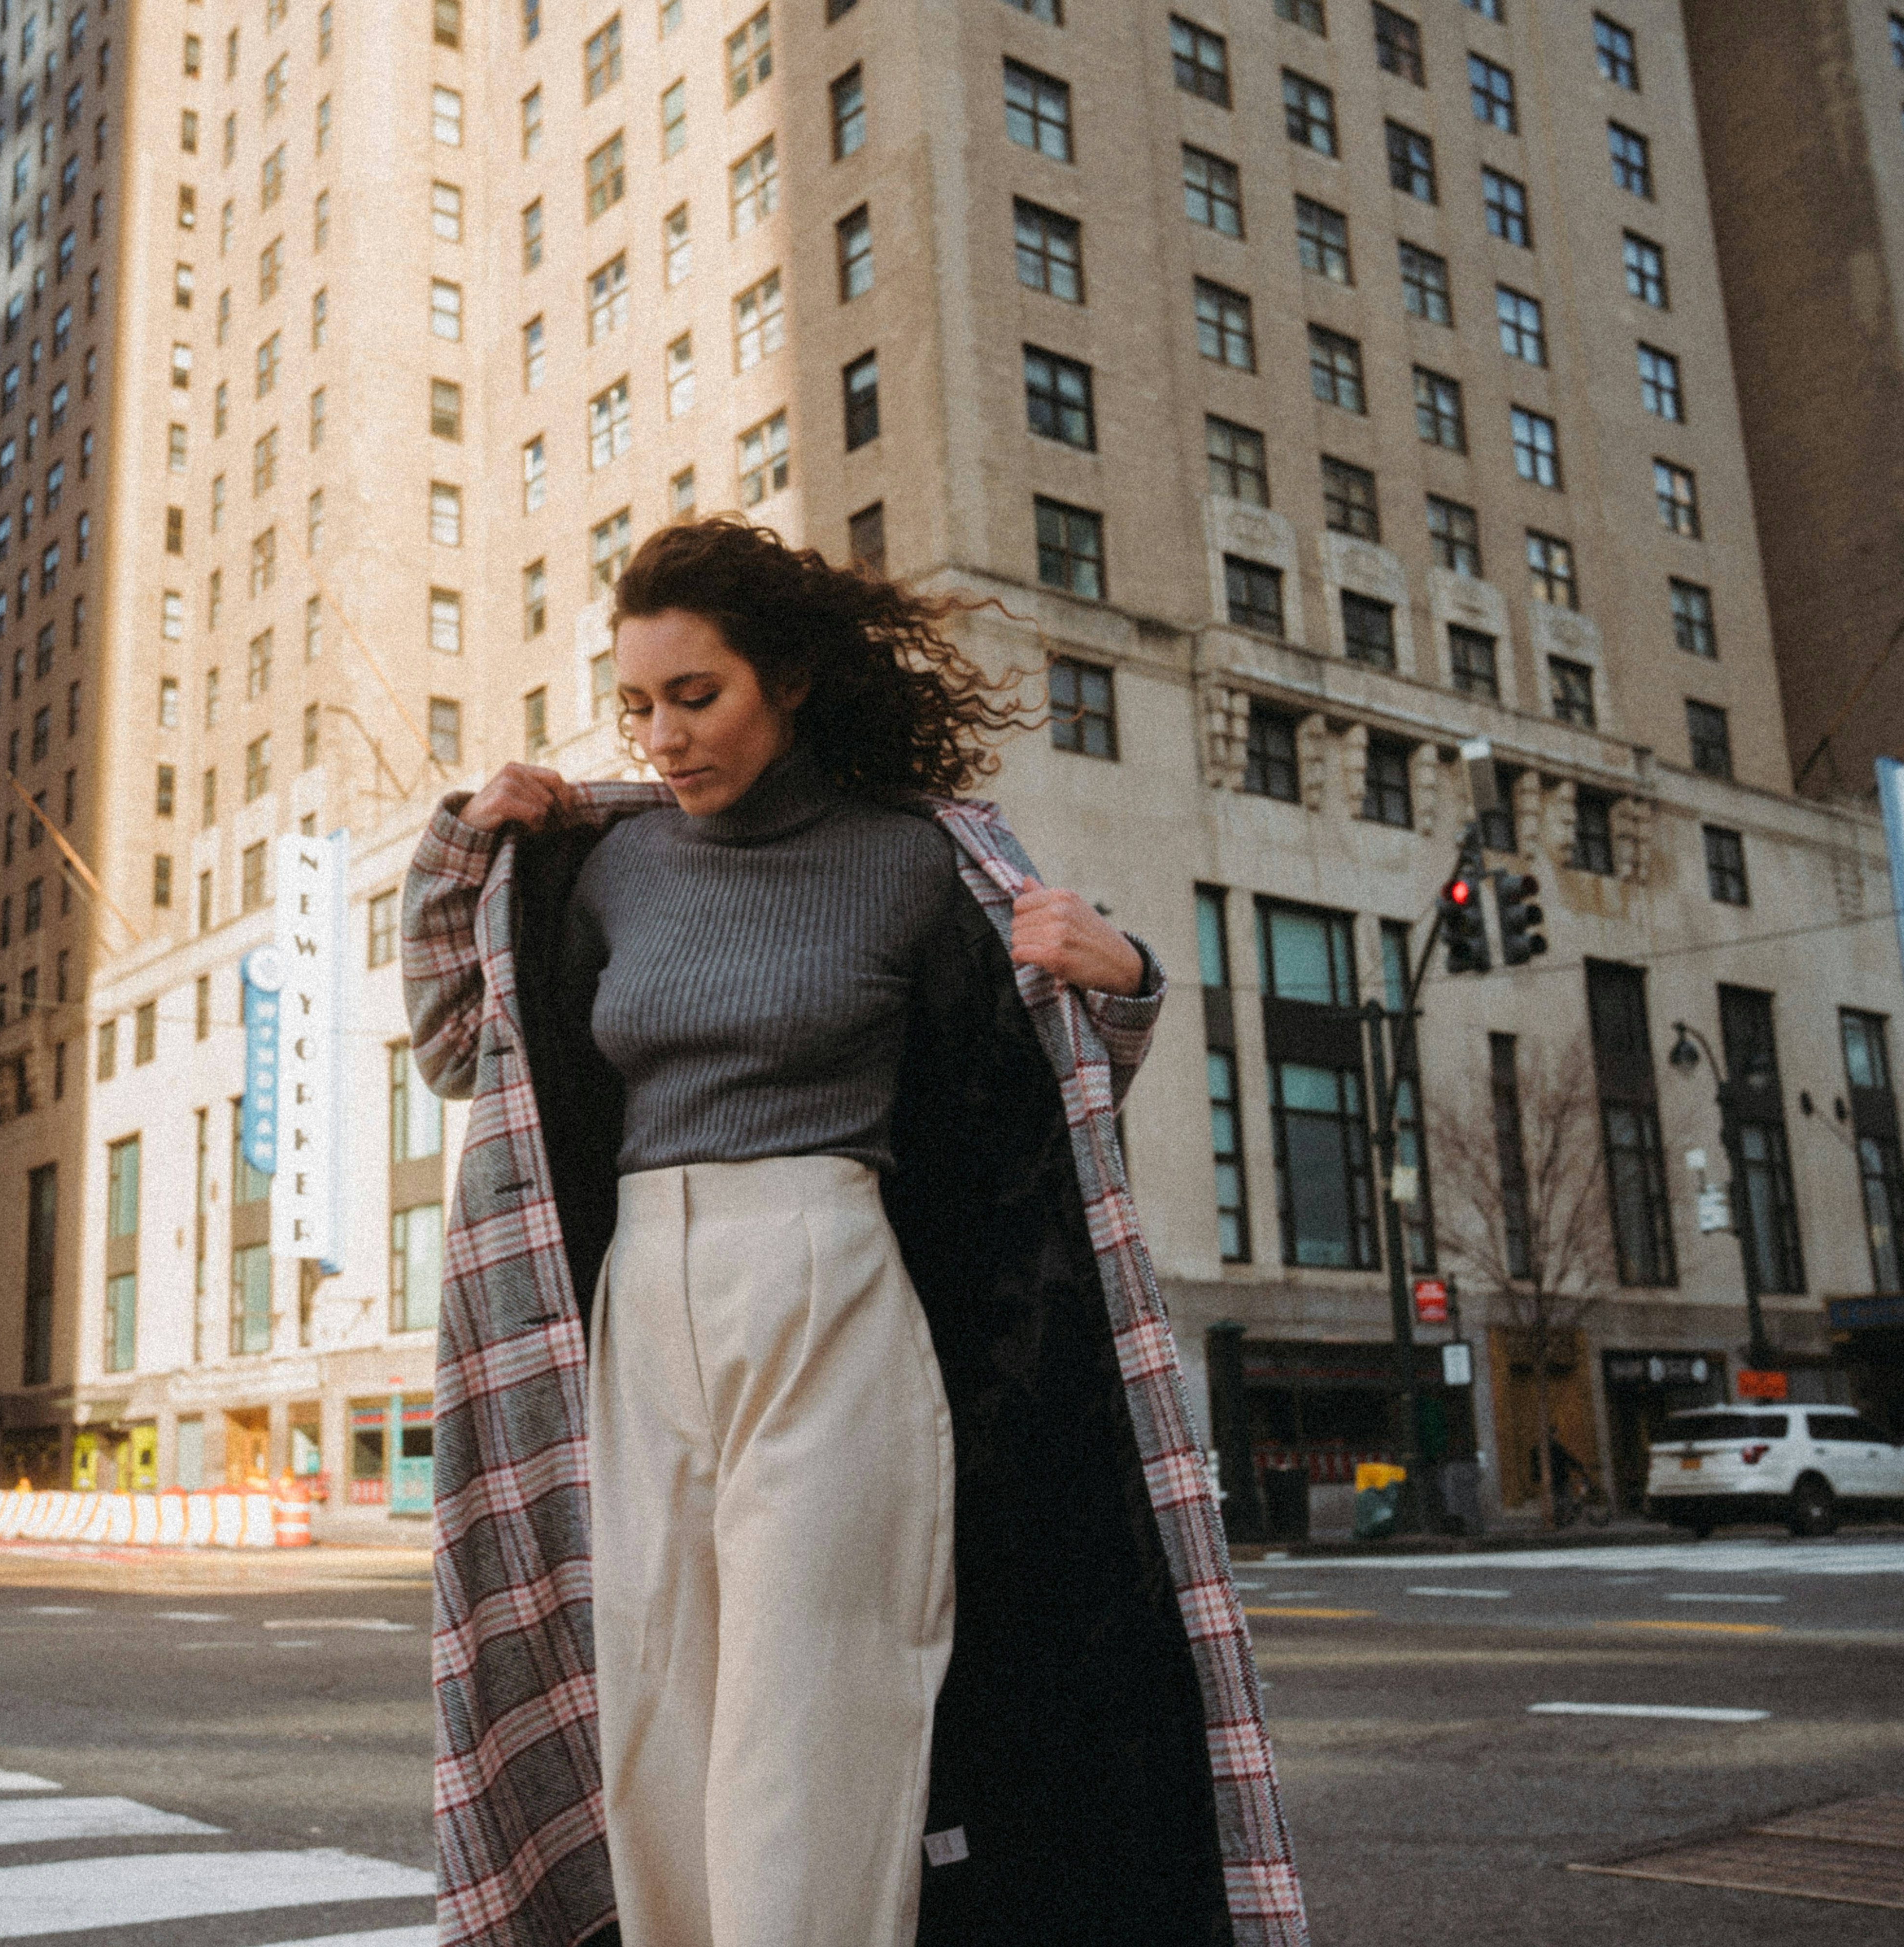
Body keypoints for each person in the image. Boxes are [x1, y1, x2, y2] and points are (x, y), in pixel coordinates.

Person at [403, 518, 1307, 1947]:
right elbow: (463, 1048)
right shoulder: (607, 867)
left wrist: (1123, 966)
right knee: (653, 1702)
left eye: (696, 698)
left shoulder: (915, 860)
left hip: (831, 1283)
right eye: (637, 704)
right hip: (639, 1299)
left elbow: (1037, 1095)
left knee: (811, 1717)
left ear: (795, 680)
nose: (663, 737)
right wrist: (469, 841)